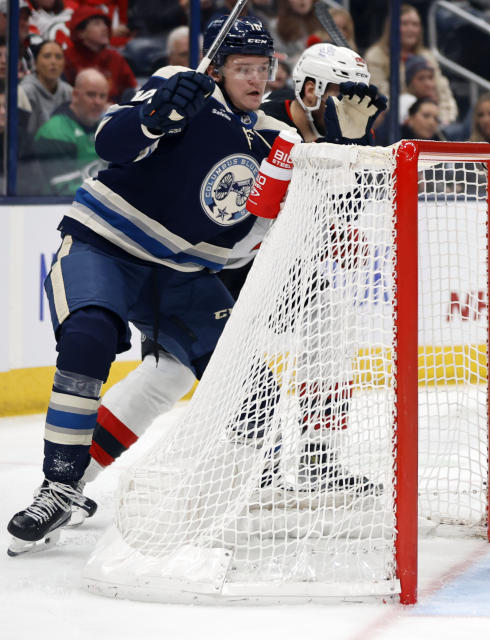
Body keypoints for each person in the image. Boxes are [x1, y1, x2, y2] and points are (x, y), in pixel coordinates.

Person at [4, 15, 293, 556]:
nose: (256, 79)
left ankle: (255, 491)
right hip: (106, 244)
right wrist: (155, 118)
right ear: (217, 68)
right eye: (242, 68)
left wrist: (351, 141)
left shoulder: (279, 141)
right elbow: (110, 142)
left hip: (184, 275)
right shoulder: (178, 85)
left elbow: (272, 222)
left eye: (264, 68)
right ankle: (59, 486)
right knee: (89, 336)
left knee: (252, 392)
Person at [79, 41, 387, 494]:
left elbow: (337, 218)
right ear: (307, 88)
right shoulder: (264, 126)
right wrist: (340, 149)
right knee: (168, 374)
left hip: (267, 269)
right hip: (206, 267)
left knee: (330, 313)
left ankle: (317, 456)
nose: (347, 104)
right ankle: (71, 480)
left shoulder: (342, 135)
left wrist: (354, 149)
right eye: (339, 91)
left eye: (354, 95)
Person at [364, 4, 458, 127]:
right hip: (396, 122)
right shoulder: (376, 55)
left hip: (434, 121)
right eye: (405, 24)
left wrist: (444, 121)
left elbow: (443, 92)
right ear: (392, 27)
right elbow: (381, 96)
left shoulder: (427, 56)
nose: (411, 29)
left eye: (415, 25)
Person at [30, 68, 109, 196]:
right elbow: (63, 187)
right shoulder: (55, 131)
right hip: (58, 208)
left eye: (102, 96)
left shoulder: (107, 127)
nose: (98, 102)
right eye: (91, 94)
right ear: (75, 95)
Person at [63, 4, 137, 103]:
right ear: (80, 32)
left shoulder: (115, 58)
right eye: (97, 24)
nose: (105, 28)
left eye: (105, 24)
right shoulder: (66, 58)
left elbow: (133, 90)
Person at [19, 39, 72, 140]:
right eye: (47, 56)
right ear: (35, 62)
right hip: (34, 151)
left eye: (58, 57)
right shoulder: (25, 91)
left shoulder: (69, 91)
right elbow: (25, 135)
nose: (53, 62)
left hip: (65, 148)